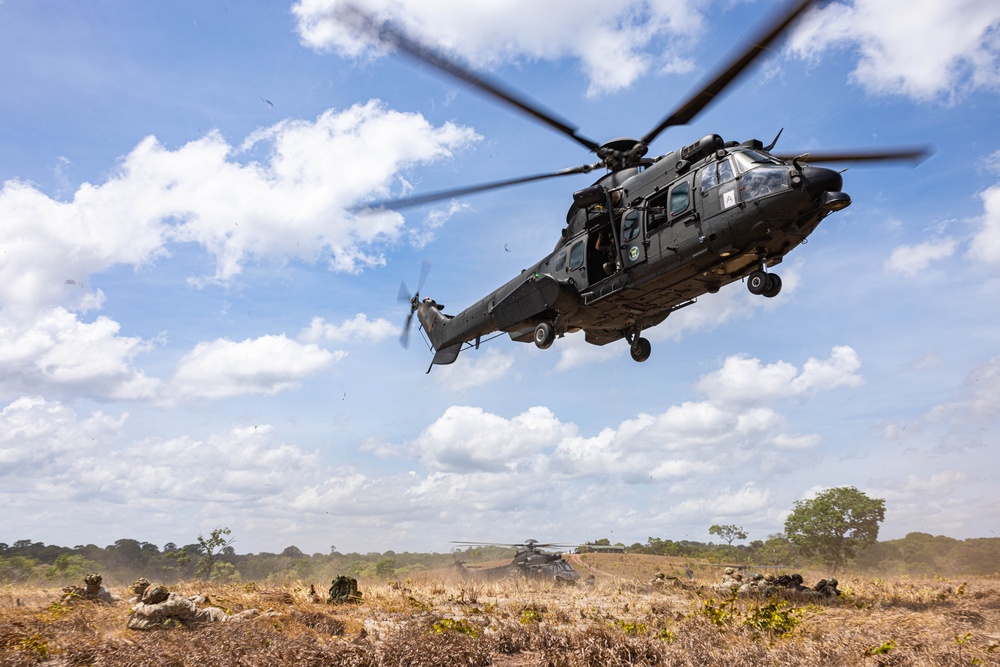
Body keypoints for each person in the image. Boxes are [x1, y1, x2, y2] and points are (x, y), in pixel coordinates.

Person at [126, 584, 258, 630]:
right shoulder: (171, 597)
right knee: (237, 619)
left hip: (211, 618)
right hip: (207, 614)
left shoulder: (173, 603)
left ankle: (266, 615)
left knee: (237, 622)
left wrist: (138, 606)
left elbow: (153, 611)